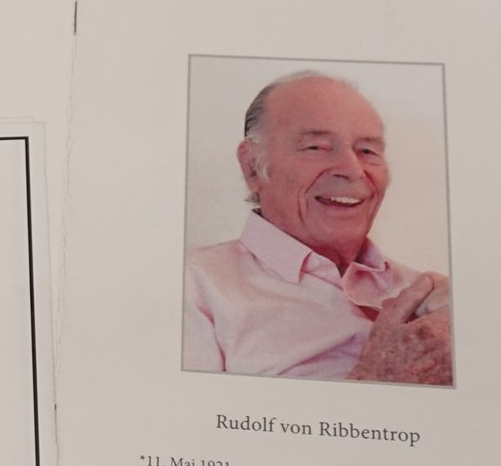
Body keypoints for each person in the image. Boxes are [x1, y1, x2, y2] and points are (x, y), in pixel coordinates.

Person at [184, 71, 452, 384]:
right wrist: (381, 376)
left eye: (367, 151)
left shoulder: (431, 295)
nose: (353, 170)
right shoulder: (191, 286)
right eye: (317, 147)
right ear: (252, 166)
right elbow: (191, 414)